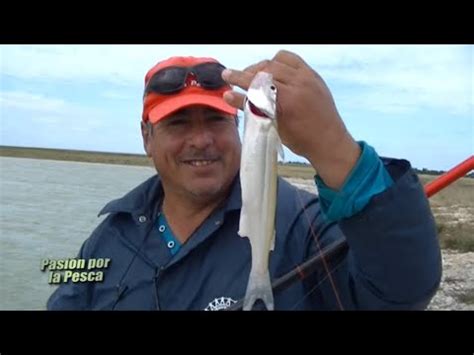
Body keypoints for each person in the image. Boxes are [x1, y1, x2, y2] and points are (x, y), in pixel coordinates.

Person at [47, 50, 442, 310]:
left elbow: (403, 292)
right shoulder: (106, 235)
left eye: (216, 120)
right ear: (147, 137)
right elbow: (66, 298)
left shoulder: (304, 224)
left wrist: (335, 148)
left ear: (241, 125)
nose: (201, 140)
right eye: (179, 123)